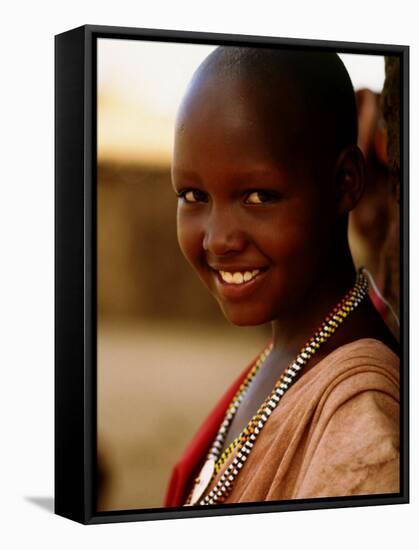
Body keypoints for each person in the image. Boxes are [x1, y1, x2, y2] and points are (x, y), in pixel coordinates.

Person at [164, 47, 400, 507]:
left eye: (257, 196)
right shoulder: (290, 349)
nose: (217, 239)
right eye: (193, 194)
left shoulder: (361, 432)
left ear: (346, 182)